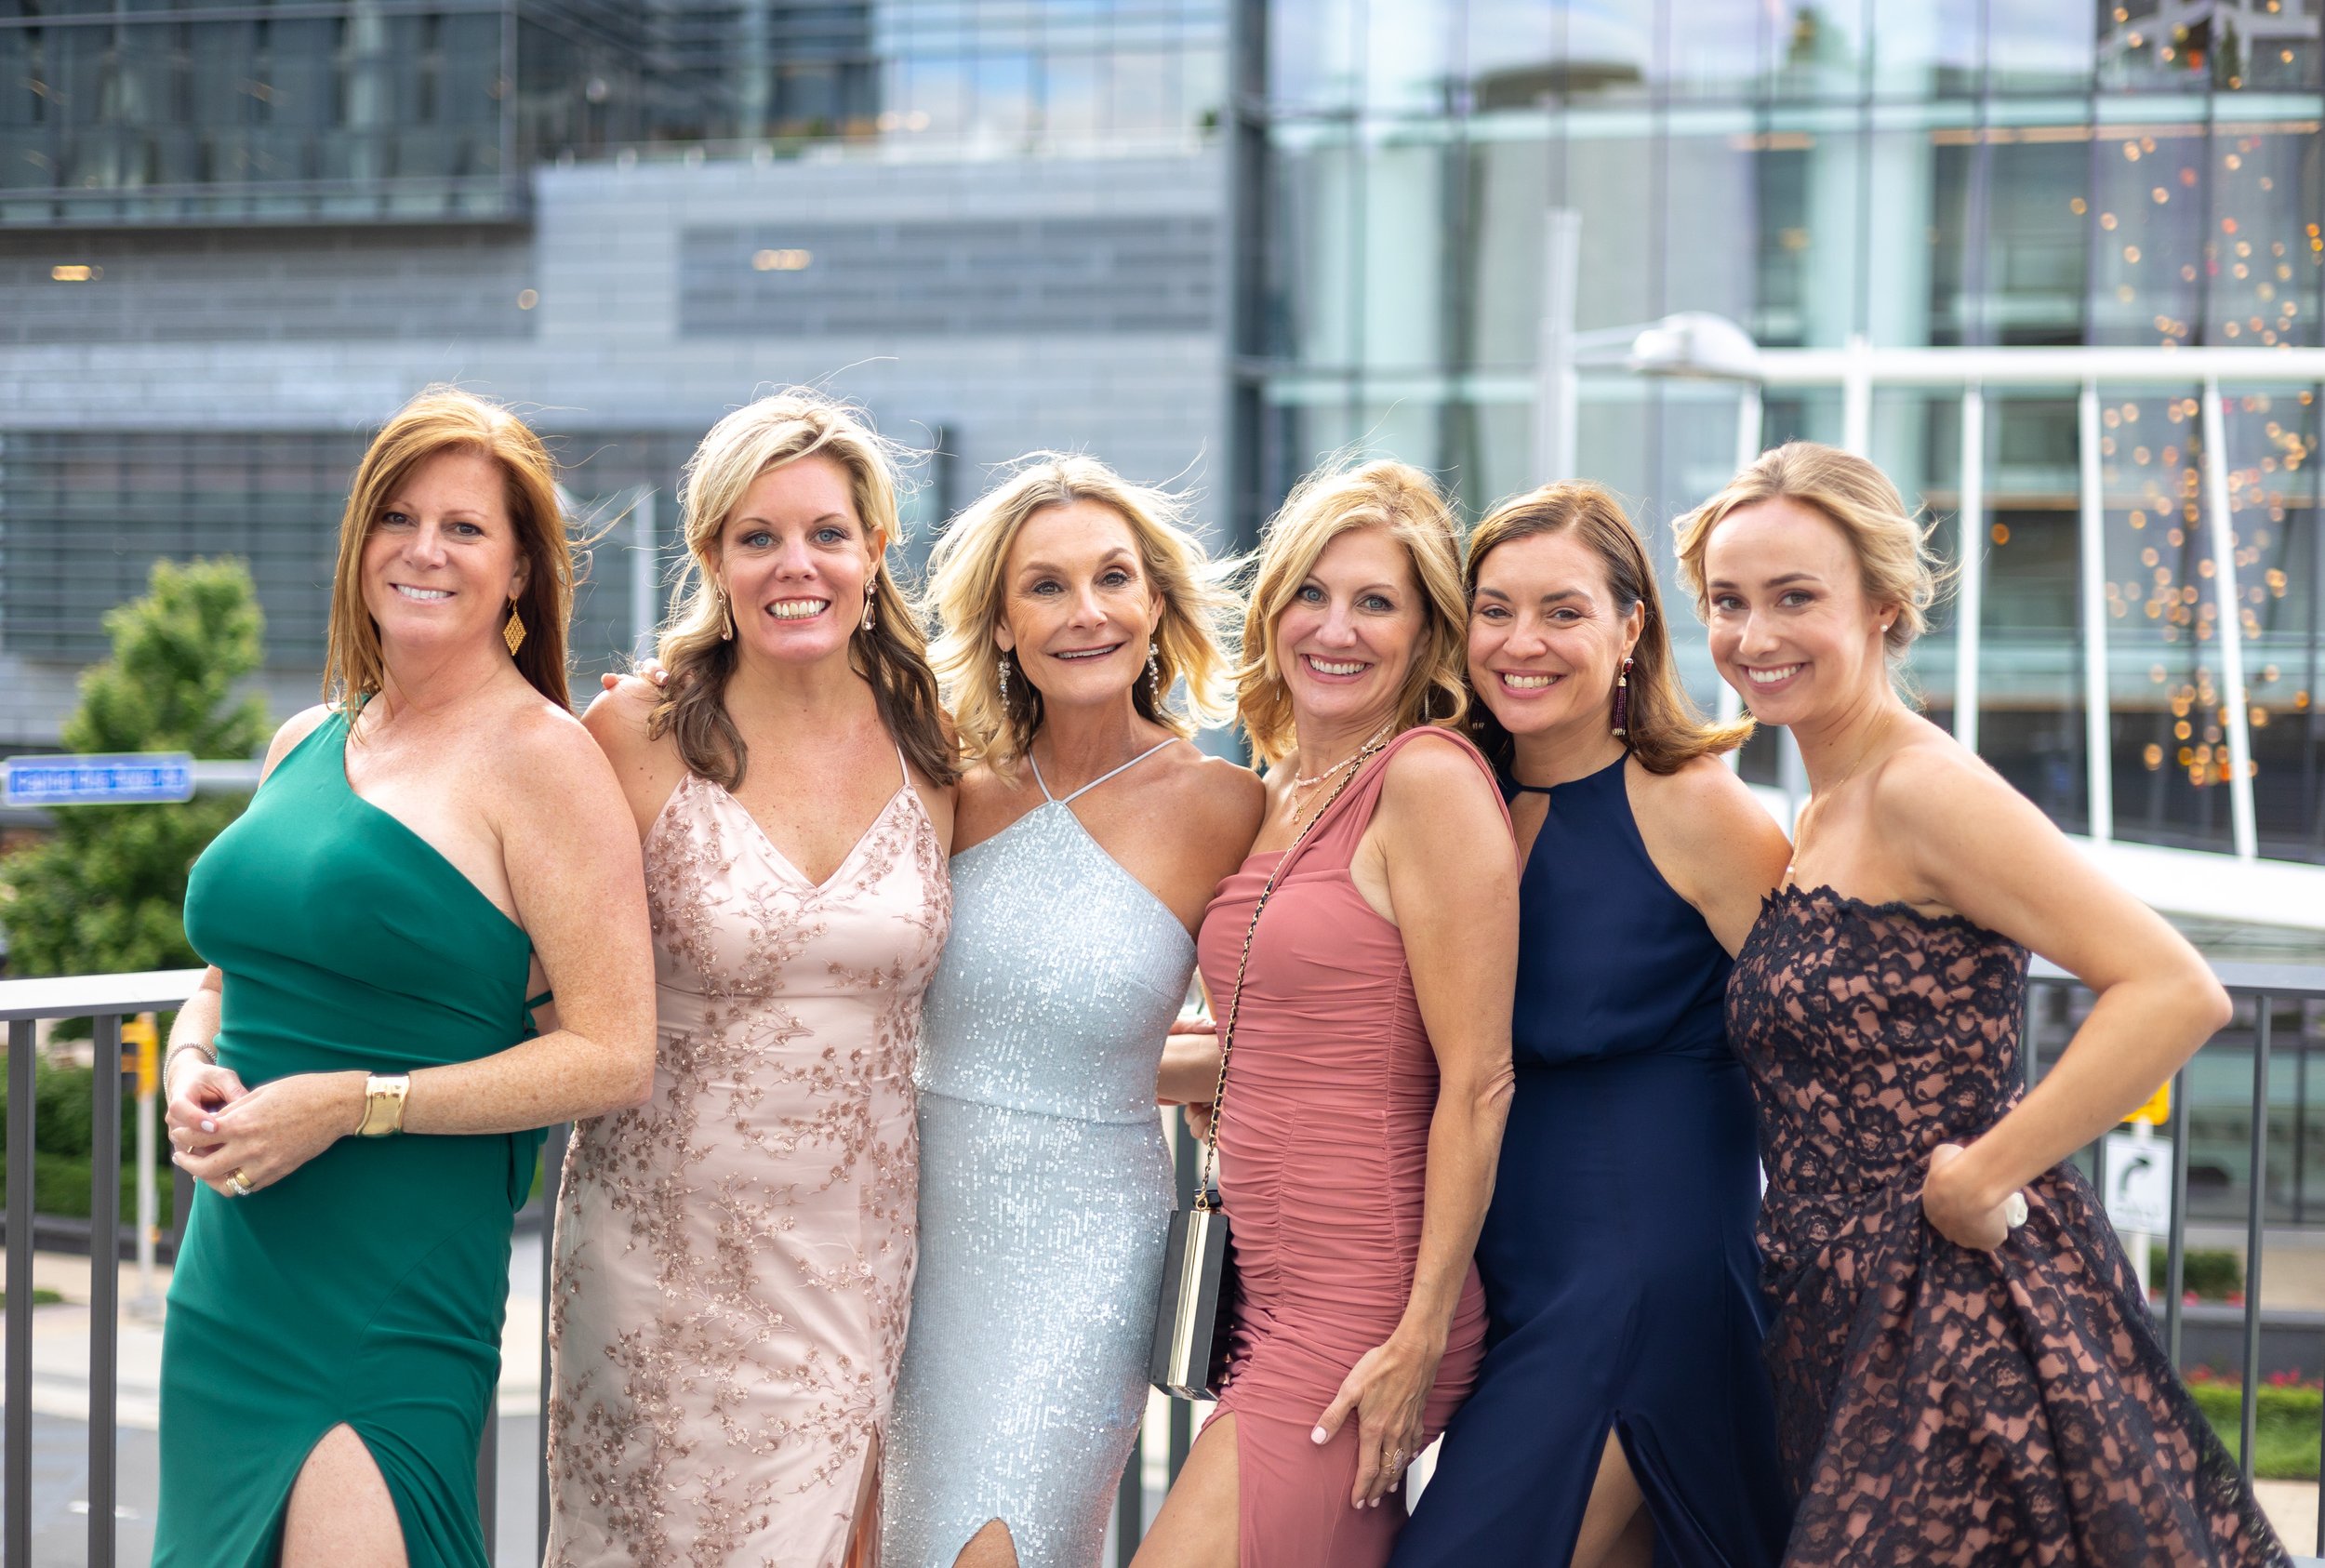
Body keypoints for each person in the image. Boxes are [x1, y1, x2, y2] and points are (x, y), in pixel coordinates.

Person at [1678, 440, 2287, 1566]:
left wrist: (1986, 1168)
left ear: (1882, 607)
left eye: (1794, 598)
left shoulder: (1923, 789)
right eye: (1727, 601)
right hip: (1833, 1311)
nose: (1753, 637)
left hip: (1953, 1303)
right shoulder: (1820, 809)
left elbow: (2170, 989)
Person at [153, 387, 658, 1568]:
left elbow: (613, 1053)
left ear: (522, 571)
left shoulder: (546, 762)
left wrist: (351, 1102)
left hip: (393, 1279)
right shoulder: (304, 741)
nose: (423, 549)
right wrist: (186, 1064)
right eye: (398, 516)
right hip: (232, 1269)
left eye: (466, 527)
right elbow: (226, 979)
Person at [546, 391, 958, 1568]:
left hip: (853, 1260)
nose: (797, 565)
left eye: (827, 533)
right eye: (758, 537)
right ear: (713, 558)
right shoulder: (629, 735)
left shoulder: (936, 744)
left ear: (876, 552)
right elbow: (522, 949)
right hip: (654, 1258)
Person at [1392, 482, 1794, 1568]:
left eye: (1562, 612)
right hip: (1514, 1285)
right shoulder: (1454, 792)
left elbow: (1826, 1035)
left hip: (1645, 1287)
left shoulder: (1690, 805)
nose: (1521, 642)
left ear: (1630, 630)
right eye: (1494, 609)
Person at [1132, 459, 1520, 1568]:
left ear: (1425, 635)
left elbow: (1478, 1079)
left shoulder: (1426, 779)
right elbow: (1275, 1037)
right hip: (1275, 1297)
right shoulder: (1273, 791)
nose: (1334, 627)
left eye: (1376, 602)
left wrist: (1421, 1333)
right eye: (1310, 592)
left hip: (1368, 1310)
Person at [882, 455, 1263, 1568]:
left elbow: (1270, 1040)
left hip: (1088, 1244)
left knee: (1005, 1543)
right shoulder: (940, 782)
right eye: (1044, 587)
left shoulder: (1223, 805)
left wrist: (1142, 1071)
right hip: (907, 1232)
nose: (1084, 612)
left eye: (1112, 579)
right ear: (1000, 625)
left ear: (1155, 606)